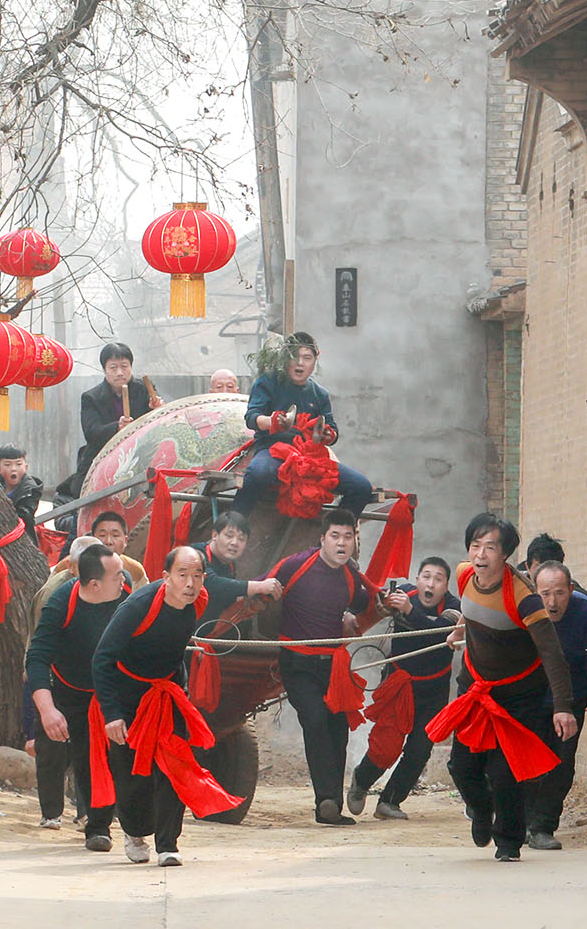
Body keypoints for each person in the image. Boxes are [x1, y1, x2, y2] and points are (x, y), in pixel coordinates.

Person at [428, 512, 576, 863]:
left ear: (505, 553)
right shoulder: (465, 575)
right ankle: (480, 810)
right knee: (462, 766)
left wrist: (563, 706)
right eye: (475, 545)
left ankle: (508, 843)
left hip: (519, 695)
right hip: (475, 687)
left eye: (490, 547)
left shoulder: (524, 597)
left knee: (505, 771)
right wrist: (460, 630)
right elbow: (471, 610)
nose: (480, 555)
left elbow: (552, 653)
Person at [91, 545, 239, 866]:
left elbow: (175, 654)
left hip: (166, 694)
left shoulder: (196, 604)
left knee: (176, 763)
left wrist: (180, 693)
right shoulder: (137, 607)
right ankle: (134, 832)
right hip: (127, 695)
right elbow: (102, 659)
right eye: (182, 575)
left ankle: (168, 844)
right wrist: (112, 714)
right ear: (165, 577)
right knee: (132, 774)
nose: (190, 583)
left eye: (197, 576)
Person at [271, 510, 376, 824]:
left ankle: (331, 806)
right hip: (297, 662)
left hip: (333, 666)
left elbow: (367, 604)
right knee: (315, 720)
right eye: (335, 536)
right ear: (322, 539)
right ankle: (326, 801)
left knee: (337, 730)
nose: (342, 543)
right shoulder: (295, 565)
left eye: (348, 537)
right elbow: (263, 593)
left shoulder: (352, 577)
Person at [26, 544, 128, 850]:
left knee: (124, 756)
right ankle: (98, 827)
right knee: (87, 757)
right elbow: (37, 659)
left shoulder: (126, 599)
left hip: (116, 689)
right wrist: (47, 711)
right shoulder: (60, 603)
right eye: (117, 576)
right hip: (74, 692)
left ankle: (132, 819)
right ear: (94, 584)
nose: (124, 581)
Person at [347, 557, 459, 819]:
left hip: (433, 691)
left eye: (438, 579)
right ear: (417, 580)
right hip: (399, 686)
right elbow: (372, 606)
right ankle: (360, 782)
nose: (431, 583)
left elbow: (436, 633)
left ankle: (390, 802)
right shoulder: (403, 594)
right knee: (386, 745)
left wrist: (410, 611)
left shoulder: (454, 609)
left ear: (446, 586)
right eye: (426, 576)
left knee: (420, 749)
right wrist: (377, 600)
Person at [524, 561, 587, 850]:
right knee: (526, 759)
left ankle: (543, 826)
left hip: (571, 697)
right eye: (544, 594)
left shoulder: (586, 612)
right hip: (530, 695)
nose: (552, 603)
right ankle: (519, 822)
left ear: (571, 589)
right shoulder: (524, 611)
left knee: (562, 762)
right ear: (534, 591)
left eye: (559, 593)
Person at [233, 331, 372, 517]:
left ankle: (330, 533)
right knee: (258, 474)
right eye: (294, 357)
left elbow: (332, 431)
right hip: (272, 449)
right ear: (284, 360)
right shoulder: (268, 382)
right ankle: (232, 526)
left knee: (362, 487)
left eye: (307, 358)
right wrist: (273, 421)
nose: (300, 363)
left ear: (315, 360)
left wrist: (327, 434)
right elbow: (252, 418)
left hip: (310, 455)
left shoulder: (320, 393)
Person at [58, 344, 164, 499]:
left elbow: (157, 423)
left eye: (124, 366)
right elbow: (91, 433)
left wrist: (157, 408)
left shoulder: (145, 389)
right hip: (102, 456)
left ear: (131, 367)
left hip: (140, 454)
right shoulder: (91, 397)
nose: (120, 372)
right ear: (104, 370)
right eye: (113, 368)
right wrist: (117, 427)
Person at [192, 510, 282, 624]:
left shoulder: (230, 565)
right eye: (229, 536)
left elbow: (227, 595)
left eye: (241, 539)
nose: (235, 542)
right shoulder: (194, 553)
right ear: (214, 535)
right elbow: (210, 583)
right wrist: (258, 586)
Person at [90, 511, 148, 589]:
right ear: (92, 539)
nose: (109, 542)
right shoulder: (76, 564)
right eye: (102, 535)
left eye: (115, 535)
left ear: (126, 541)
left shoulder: (135, 569)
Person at [0, 445, 43, 531]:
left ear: (26, 467)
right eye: (7, 464)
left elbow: (24, 517)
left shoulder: (31, 490)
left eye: (18, 464)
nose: (13, 469)